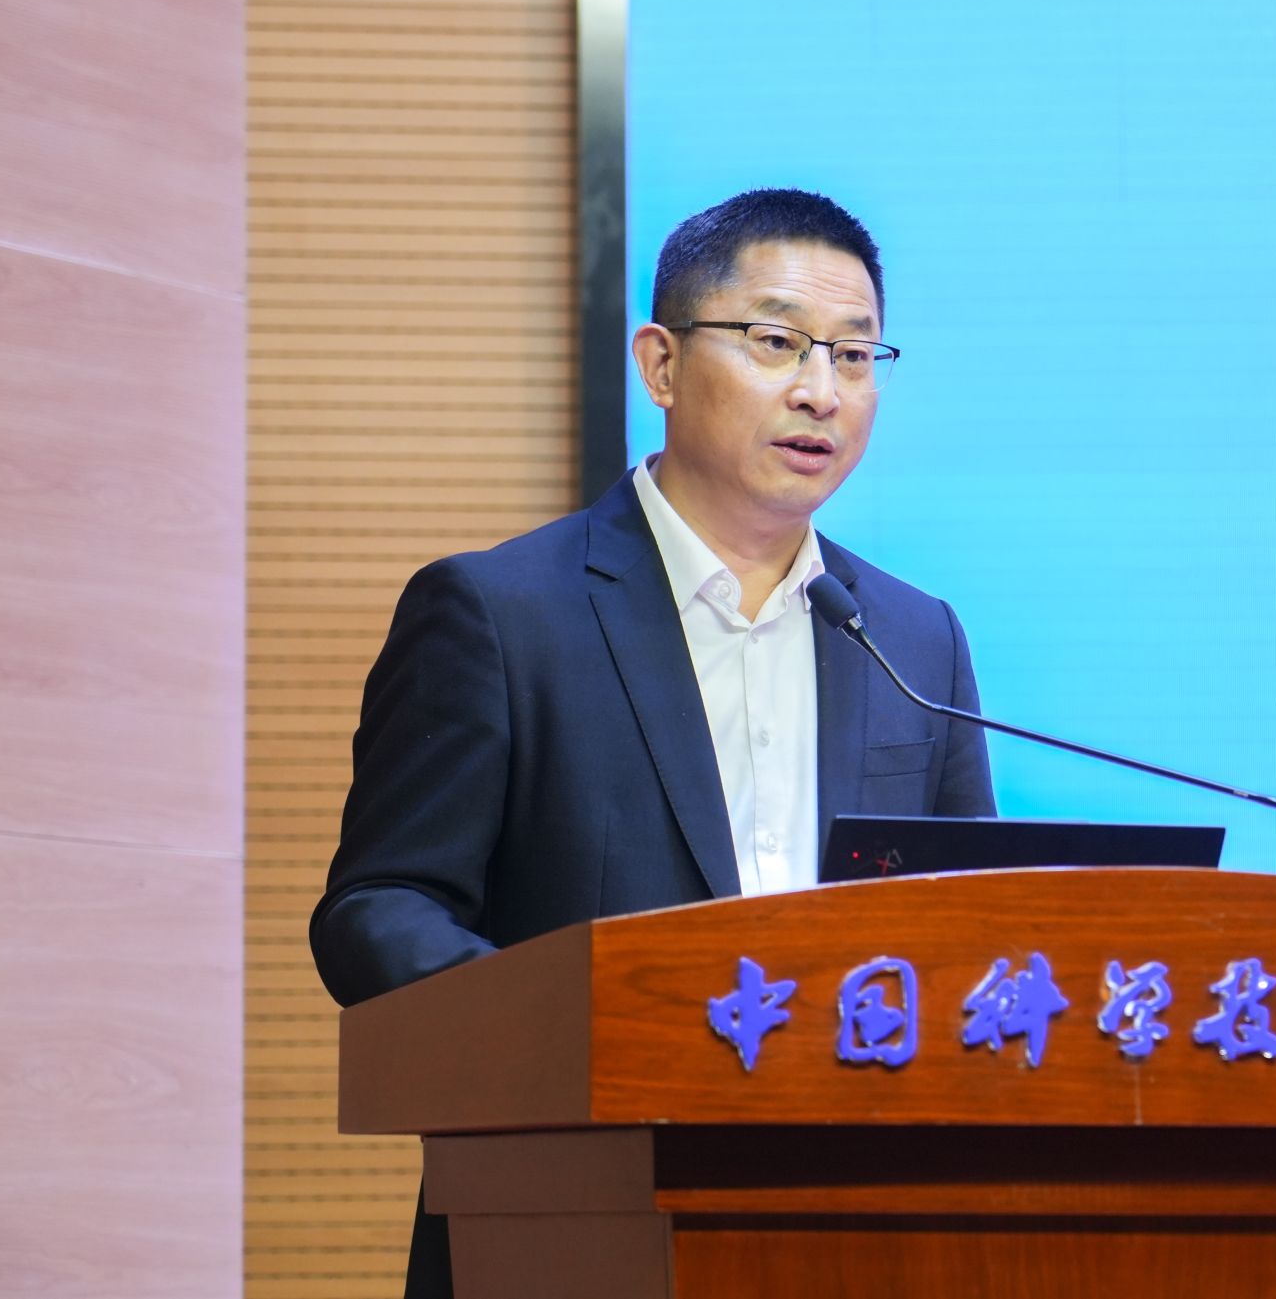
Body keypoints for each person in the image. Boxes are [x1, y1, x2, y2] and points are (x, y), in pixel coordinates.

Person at [309, 187, 997, 1297]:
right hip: (573, 1220)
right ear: (661, 364)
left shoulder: (913, 637)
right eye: (776, 341)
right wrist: (585, 1031)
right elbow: (378, 909)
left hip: (860, 1229)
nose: (820, 390)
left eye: (854, 354)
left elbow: (975, 926)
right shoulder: (498, 613)